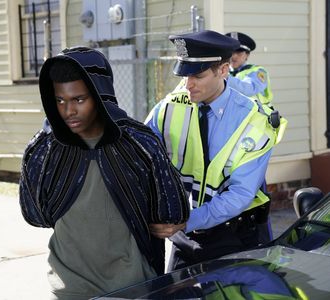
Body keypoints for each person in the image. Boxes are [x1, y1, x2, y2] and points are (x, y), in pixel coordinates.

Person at [19, 46, 189, 299]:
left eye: (79, 99)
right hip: (69, 287)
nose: (68, 111)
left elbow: (172, 215)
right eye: (60, 100)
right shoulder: (42, 150)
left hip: (132, 285)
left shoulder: (139, 144)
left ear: (100, 95)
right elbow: (34, 214)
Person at [145, 30, 278, 270]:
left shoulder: (256, 122)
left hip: (235, 236)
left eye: (197, 74)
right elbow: (142, 158)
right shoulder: (169, 108)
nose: (188, 84)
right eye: (183, 74)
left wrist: (185, 221)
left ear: (224, 70)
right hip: (183, 234)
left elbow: (239, 194)